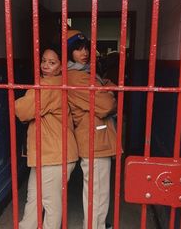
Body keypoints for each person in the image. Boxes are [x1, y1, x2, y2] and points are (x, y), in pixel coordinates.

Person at [16, 45, 78, 229]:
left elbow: (22, 110)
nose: (45, 65)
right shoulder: (53, 85)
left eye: (52, 62)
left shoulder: (49, 86)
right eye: (43, 60)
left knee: (50, 203)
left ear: (61, 67)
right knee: (34, 198)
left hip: (55, 155)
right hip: (50, 154)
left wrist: (21, 100)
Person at [67, 30, 117, 229]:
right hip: (94, 139)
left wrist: (105, 88)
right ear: (68, 52)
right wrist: (110, 93)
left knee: (98, 191)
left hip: (96, 136)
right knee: (97, 193)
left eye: (86, 48)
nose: (84, 52)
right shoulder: (77, 77)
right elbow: (105, 105)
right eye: (78, 49)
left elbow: (105, 87)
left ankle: (98, 224)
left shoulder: (86, 72)